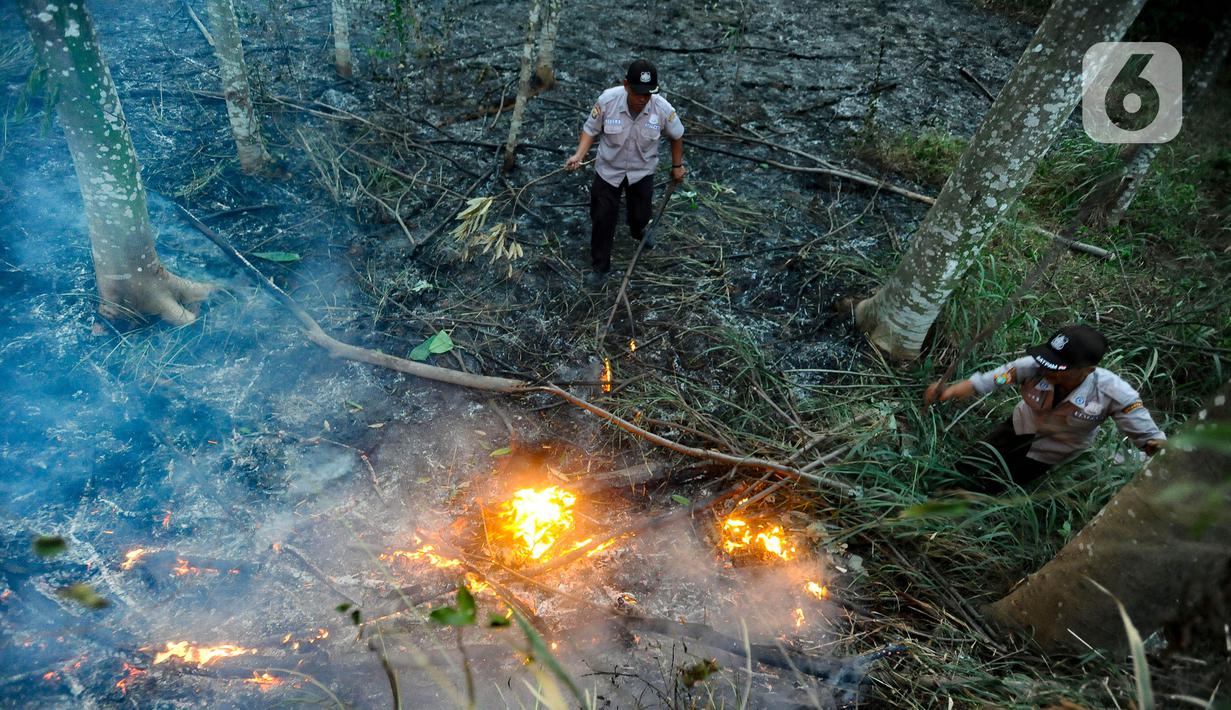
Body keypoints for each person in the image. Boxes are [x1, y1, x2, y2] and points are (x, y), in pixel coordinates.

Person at [924, 324, 1166, 488]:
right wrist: (953, 390)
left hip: (1052, 451)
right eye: (1048, 362)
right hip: (1018, 426)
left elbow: (1147, 436)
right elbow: (997, 378)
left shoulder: (1114, 393)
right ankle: (937, 486)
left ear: (1087, 370)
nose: (1048, 369)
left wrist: (1156, 446)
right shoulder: (1034, 365)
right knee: (975, 459)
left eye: (1059, 368)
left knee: (1001, 483)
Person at [564, 58, 685, 282]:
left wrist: (677, 166)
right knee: (602, 217)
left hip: (642, 171)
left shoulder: (662, 109)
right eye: (638, 93)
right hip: (608, 170)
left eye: (648, 94)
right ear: (626, 85)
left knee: (640, 216)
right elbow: (590, 130)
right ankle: (600, 266)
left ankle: (638, 230)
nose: (642, 99)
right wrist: (579, 155)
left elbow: (677, 136)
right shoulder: (608, 101)